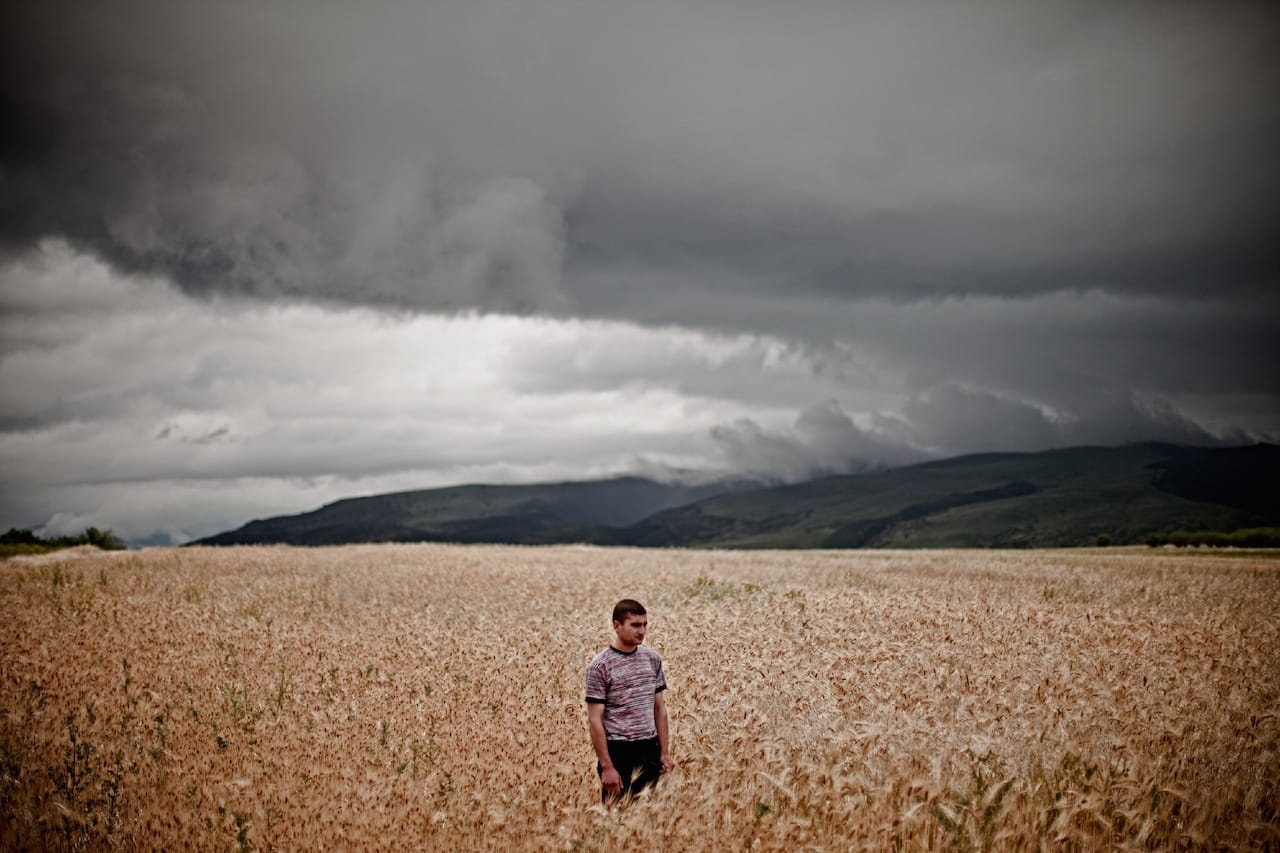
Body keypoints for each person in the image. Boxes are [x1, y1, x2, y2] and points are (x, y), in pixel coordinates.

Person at [585, 598, 675, 803]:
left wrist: (664, 752)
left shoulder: (652, 659)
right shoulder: (599, 667)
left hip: (649, 749)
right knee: (615, 818)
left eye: (644, 625)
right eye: (635, 625)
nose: (642, 631)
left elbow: (659, 708)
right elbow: (595, 720)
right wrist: (607, 766)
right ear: (617, 626)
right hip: (619, 752)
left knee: (649, 818)